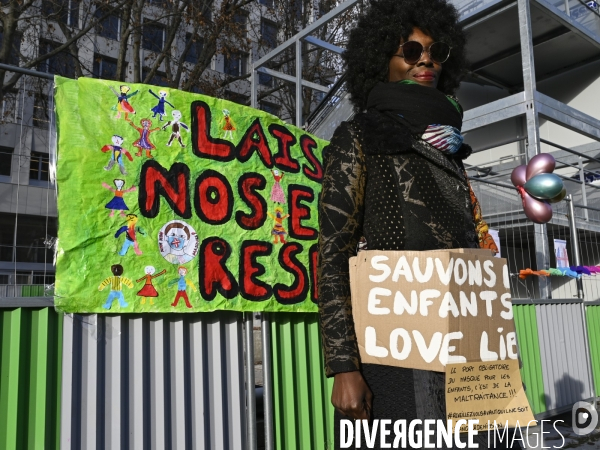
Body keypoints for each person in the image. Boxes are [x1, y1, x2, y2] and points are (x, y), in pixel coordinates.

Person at [317, 1, 503, 449]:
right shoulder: (358, 137)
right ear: (382, 58)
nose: (426, 59)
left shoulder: (452, 151)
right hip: (398, 350)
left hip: (470, 340)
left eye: (436, 50)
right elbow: (332, 252)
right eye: (410, 49)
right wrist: (343, 365)